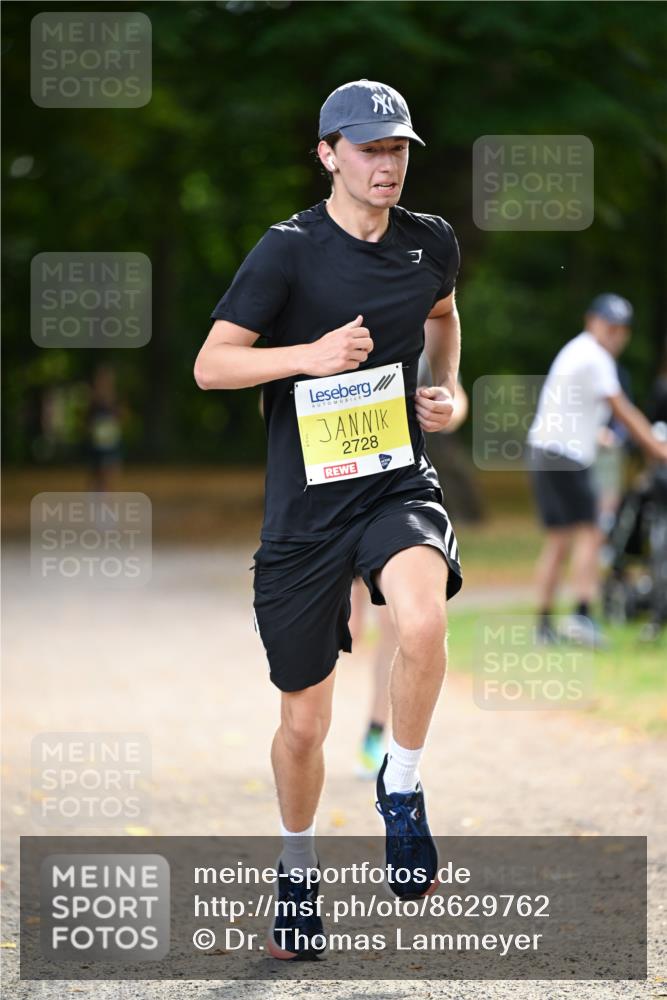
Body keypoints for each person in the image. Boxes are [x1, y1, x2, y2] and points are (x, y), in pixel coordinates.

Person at [195, 78, 463, 960]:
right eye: (368, 149)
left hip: (393, 482)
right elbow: (212, 365)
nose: (385, 165)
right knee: (304, 725)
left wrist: (447, 386)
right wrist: (307, 357)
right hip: (307, 510)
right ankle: (298, 876)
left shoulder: (430, 244)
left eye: (396, 151)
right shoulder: (286, 252)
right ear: (327, 154)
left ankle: (403, 784)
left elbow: (441, 314)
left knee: (421, 620)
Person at [526, 294, 667, 647]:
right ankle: (581, 616)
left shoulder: (578, 351)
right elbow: (622, 409)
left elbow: (574, 408)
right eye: (610, 326)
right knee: (590, 533)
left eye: (621, 329)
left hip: (546, 452)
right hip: (563, 456)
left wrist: (598, 434)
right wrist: (657, 448)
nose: (615, 335)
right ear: (592, 321)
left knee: (559, 542)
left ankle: (543, 626)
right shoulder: (594, 355)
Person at [351, 376, 469, 780]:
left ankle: (375, 731)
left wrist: (446, 406)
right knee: (347, 628)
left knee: (397, 623)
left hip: (394, 498)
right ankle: (307, 735)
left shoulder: (415, 319)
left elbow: (455, 395)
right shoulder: (314, 319)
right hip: (327, 499)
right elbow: (271, 403)